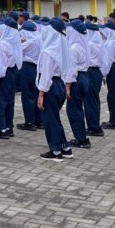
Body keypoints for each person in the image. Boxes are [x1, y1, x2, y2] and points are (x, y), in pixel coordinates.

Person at [36, 18, 74, 161]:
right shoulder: (62, 49)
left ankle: (56, 151)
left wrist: (41, 94)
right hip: (60, 84)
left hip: (50, 87)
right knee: (55, 118)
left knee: (50, 120)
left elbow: (46, 75)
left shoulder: (48, 51)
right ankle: (65, 147)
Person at [0, 17, 22, 139]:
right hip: (13, 73)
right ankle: (9, 127)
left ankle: (1, 130)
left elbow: (1, 65)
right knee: (10, 102)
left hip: (4, 75)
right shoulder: (15, 41)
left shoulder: (3, 44)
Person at [65, 19, 92, 149]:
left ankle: (81, 139)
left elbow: (72, 68)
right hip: (84, 77)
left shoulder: (73, 48)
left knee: (74, 110)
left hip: (76, 79)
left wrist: (68, 85)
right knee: (78, 108)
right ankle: (81, 137)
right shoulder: (84, 45)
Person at [17, 20, 42, 131]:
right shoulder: (39, 39)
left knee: (28, 96)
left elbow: (17, 50)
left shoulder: (30, 42)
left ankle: (29, 122)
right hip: (37, 68)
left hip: (28, 68)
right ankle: (38, 120)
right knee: (36, 94)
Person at [84, 22, 108, 137]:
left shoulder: (89, 44)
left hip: (90, 72)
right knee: (94, 100)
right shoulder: (99, 43)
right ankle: (94, 125)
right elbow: (104, 60)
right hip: (97, 72)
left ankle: (94, 127)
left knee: (90, 101)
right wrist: (103, 75)